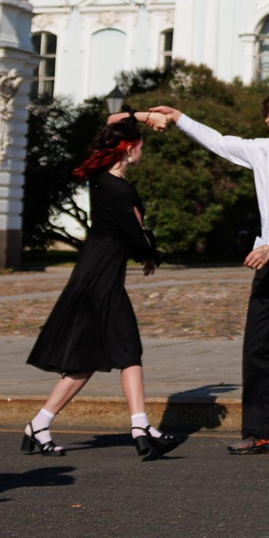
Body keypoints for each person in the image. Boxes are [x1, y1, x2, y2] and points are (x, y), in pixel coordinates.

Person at [141, 87, 269, 454]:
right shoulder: (264, 150)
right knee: (258, 345)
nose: (267, 119)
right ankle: (264, 432)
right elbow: (220, 142)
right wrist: (180, 118)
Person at [19, 116, 181, 459]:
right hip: (101, 278)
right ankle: (137, 425)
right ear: (128, 149)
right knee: (123, 350)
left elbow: (111, 120)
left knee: (98, 356)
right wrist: (150, 255)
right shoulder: (120, 190)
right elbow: (135, 233)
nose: (143, 151)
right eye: (140, 146)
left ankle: (40, 424)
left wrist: (143, 117)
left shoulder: (101, 180)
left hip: (95, 274)